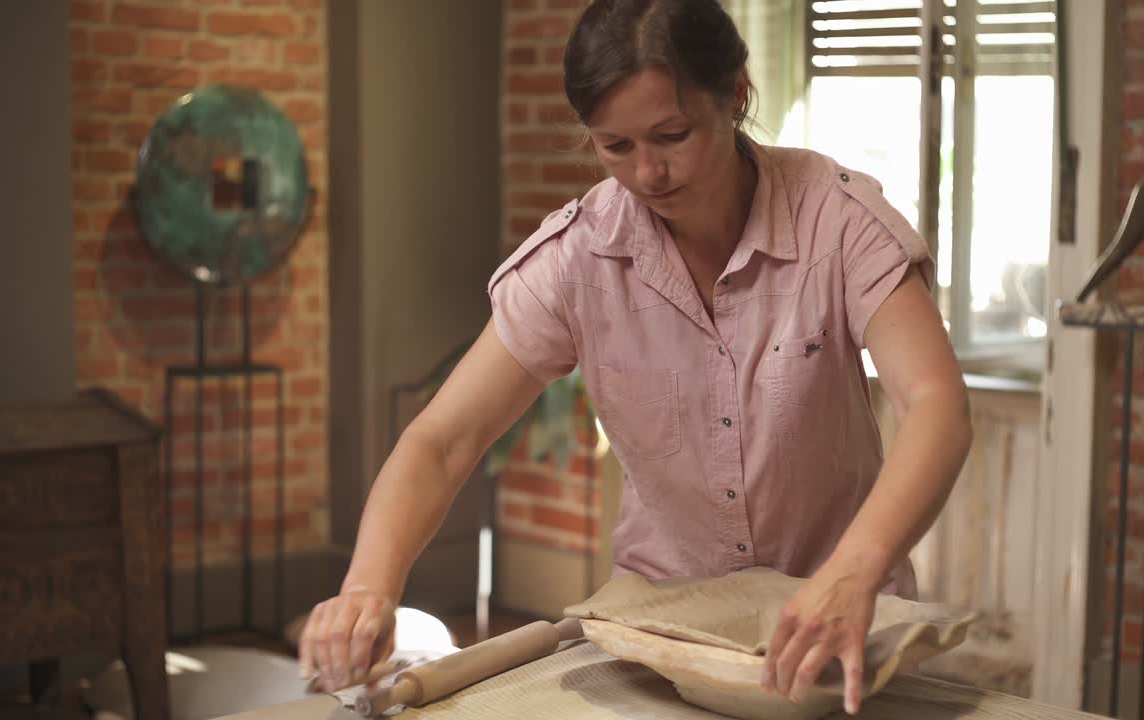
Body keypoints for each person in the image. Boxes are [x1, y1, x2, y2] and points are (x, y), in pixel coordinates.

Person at [298, 0, 972, 714]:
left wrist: (854, 572)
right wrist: (367, 588)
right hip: (662, 641)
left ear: (736, 95)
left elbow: (937, 405)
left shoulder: (836, 221)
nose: (648, 172)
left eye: (671, 135)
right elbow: (442, 440)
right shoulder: (577, 259)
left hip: (836, 633)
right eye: (615, 146)